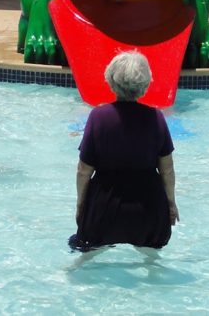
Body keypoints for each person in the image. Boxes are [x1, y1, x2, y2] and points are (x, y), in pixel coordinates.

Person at [70, 52, 179, 252]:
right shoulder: (156, 118)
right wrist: (171, 204)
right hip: (148, 205)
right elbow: (167, 170)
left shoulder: (98, 117)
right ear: (145, 83)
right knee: (152, 262)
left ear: (111, 80)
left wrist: (81, 205)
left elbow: (83, 171)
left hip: (105, 206)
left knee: (86, 255)